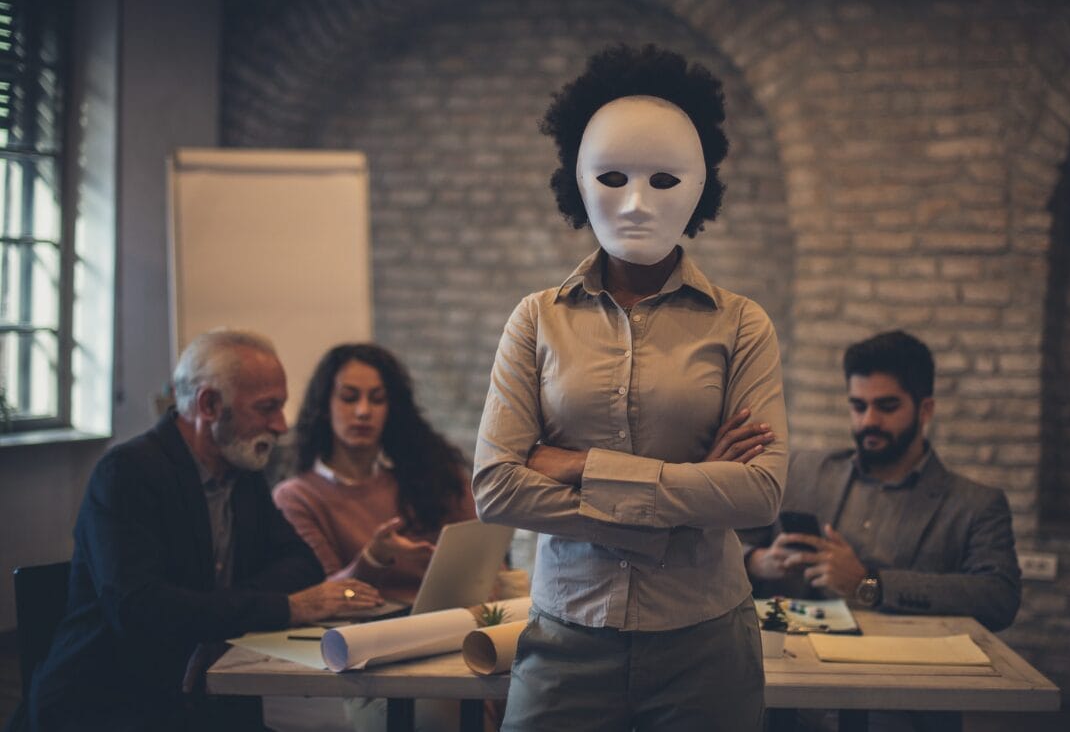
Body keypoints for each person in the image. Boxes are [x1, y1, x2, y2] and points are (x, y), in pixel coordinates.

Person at [473, 44, 788, 732]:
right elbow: (496, 486)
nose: (639, 204)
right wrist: (690, 485)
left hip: (703, 640)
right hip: (566, 635)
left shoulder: (742, 325)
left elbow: (760, 492)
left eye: (664, 179)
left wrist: (583, 467)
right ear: (577, 182)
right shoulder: (536, 319)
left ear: (702, 184)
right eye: (613, 176)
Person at [14, 330, 382, 732]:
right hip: (111, 702)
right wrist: (285, 607)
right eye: (266, 408)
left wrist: (205, 606)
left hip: (205, 695)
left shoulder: (242, 472)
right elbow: (141, 611)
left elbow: (302, 565)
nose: (279, 424)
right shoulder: (128, 473)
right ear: (208, 405)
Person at [741, 330, 1021, 633]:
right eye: (858, 406)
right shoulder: (801, 470)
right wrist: (756, 562)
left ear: (925, 410)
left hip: (902, 665)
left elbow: (998, 598)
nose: (869, 421)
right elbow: (725, 544)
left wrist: (867, 582)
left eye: (887, 407)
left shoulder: (974, 505)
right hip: (793, 654)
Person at [273, 343, 476, 605]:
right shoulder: (297, 497)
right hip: (367, 633)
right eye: (349, 398)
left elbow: (478, 556)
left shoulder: (429, 477)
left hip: (449, 618)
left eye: (377, 399)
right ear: (324, 406)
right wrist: (373, 558)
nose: (363, 411)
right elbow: (324, 595)